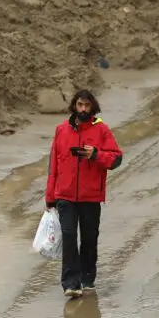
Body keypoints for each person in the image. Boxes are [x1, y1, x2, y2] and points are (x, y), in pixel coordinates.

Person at [45, 90, 123, 298]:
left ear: (92, 107)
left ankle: (87, 277)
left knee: (89, 238)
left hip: (91, 196)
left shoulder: (102, 130)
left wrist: (96, 155)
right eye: (80, 105)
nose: (83, 109)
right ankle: (70, 283)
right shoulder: (61, 130)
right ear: (74, 106)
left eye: (87, 106)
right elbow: (53, 165)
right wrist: (50, 197)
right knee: (69, 236)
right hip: (65, 195)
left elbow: (116, 159)